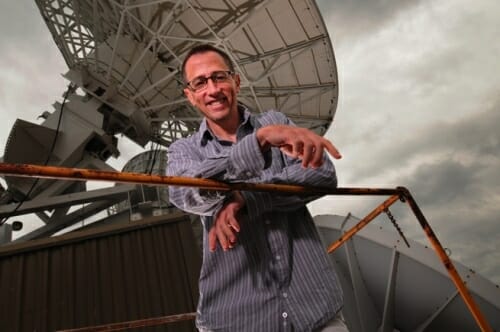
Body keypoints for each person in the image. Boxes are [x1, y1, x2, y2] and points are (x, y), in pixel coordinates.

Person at [167, 44, 348, 332]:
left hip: (315, 308)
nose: (212, 89)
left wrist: (245, 198)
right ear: (189, 95)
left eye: (219, 77)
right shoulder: (184, 150)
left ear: (236, 81)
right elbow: (184, 193)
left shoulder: (276, 122)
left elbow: (322, 173)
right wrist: (259, 142)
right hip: (237, 319)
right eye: (200, 82)